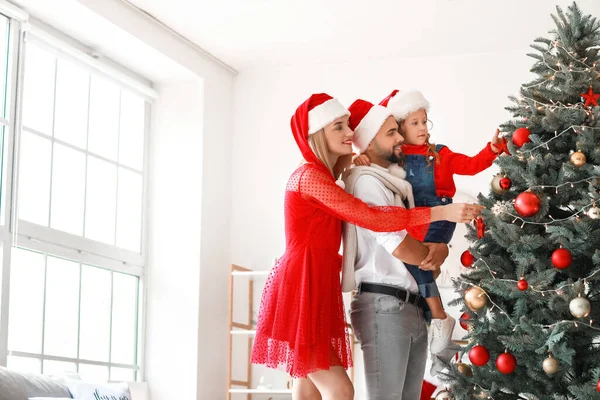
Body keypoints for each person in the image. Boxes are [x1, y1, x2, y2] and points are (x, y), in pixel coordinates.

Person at [250, 93, 483, 400]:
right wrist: (441, 212)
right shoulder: (308, 177)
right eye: (339, 127)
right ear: (317, 134)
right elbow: (370, 216)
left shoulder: (327, 178)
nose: (349, 133)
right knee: (340, 390)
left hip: (317, 285)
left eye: (349, 125)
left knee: (307, 388)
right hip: (300, 285)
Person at [354, 89, 502, 355]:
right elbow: (374, 173)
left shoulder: (440, 153)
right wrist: (360, 158)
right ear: (399, 127)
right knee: (421, 266)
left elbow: (471, 165)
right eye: (414, 123)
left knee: (420, 263)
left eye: (425, 122)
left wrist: (491, 150)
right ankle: (435, 319)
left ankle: (440, 316)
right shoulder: (393, 161)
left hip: (440, 215)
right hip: (414, 218)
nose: (422, 128)